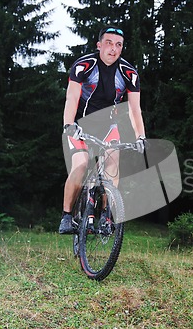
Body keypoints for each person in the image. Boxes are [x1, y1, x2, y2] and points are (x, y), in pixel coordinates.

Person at [59, 26, 146, 234]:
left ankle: (106, 215)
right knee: (80, 166)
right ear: (99, 45)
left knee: (112, 168)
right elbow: (71, 97)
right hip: (79, 125)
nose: (113, 49)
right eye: (108, 43)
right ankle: (67, 216)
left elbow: (135, 110)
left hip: (108, 128)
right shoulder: (84, 65)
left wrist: (141, 136)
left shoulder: (129, 73)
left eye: (118, 45)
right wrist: (69, 124)